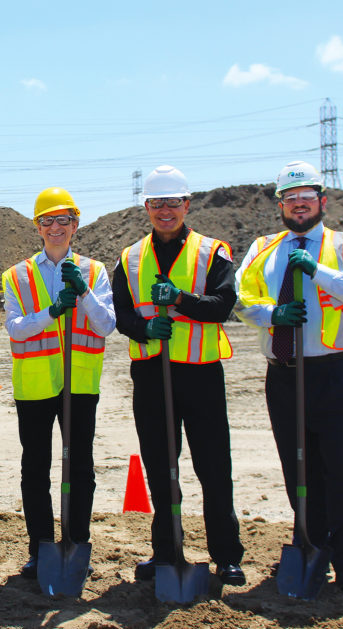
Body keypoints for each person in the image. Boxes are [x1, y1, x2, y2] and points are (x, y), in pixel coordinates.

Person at [234, 160, 343, 591]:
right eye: (291, 199)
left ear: (322, 201)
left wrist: (316, 271)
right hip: (285, 373)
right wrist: (272, 313)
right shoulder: (263, 248)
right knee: (299, 470)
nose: (299, 205)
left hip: (340, 374)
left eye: (306, 198)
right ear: (280, 204)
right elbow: (240, 299)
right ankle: (310, 546)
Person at [111, 165, 245, 585]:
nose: (165, 211)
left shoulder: (212, 251)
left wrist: (182, 301)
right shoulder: (129, 258)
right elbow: (122, 313)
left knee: (213, 467)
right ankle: (166, 550)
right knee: (160, 467)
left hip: (201, 375)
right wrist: (145, 327)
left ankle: (226, 555)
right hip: (152, 376)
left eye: (173, 203)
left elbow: (224, 304)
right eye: (156, 204)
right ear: (146, 207)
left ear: (187, 204)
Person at [0, 187, 115, 578]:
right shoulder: (16, 275)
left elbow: (107, 325)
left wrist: (83, 293)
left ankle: (77, 541)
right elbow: (15, 329)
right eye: (47, 221)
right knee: (35, 469)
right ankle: (41, 548)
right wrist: (51, 312)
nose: (55, 228)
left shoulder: (95, 271)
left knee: (80, 467)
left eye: (63, 220)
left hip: (79, 385)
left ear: (75, 225)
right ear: (37, 226)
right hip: (34, 385)